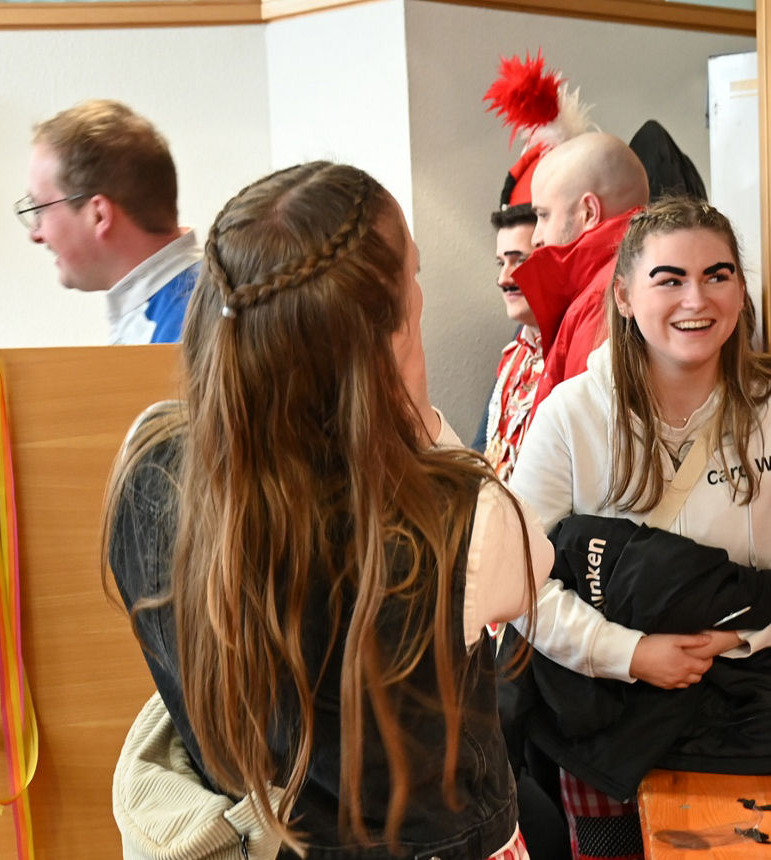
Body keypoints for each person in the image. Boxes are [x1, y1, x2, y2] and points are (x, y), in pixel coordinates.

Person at [102, 162, 553, 857]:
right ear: (387, 332)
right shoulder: (461, 518)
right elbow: (531, 570)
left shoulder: (148, 468)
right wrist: (414, 415)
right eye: (415, 277)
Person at [508, 198, 771, 859]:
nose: (698, 297)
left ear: (741, 289)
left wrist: (733, 638)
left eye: (718, 275)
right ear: (628, 296)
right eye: (670, 279)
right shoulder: (570, 414)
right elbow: (520, 581)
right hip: (604, 717)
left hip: (744, 709)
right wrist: (628, 654)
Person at [20, 99, 199, 344]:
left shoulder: (190, 329)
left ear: (98, 215)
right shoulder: (181, 305)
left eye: (39, 209)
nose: (35, 234)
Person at [513, 131, 650, 406]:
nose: (536, 237)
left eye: (543, 215)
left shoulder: (602, 299)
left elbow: (583, 438)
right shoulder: (646, 273)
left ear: (588, 211)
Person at [473, 204, 545, 480]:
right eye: (501, 262)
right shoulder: (517, 347)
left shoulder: (573, 352)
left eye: (520, 261)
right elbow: (487, 445)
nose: (504, 278)